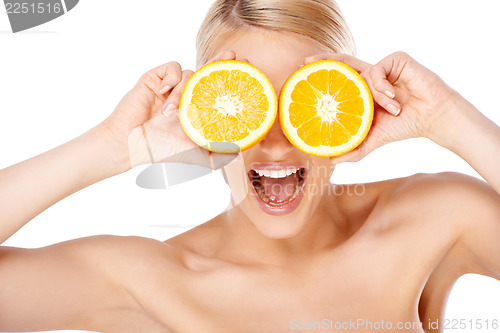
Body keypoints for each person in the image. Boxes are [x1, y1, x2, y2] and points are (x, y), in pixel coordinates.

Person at [1, 0, 499, 332]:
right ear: (203, 115)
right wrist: (113, 145)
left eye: (302, 107)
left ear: (348, 107)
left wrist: (448, 117)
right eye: (247, 107)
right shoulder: (150, 279)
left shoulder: (435, 217)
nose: (277, 141)